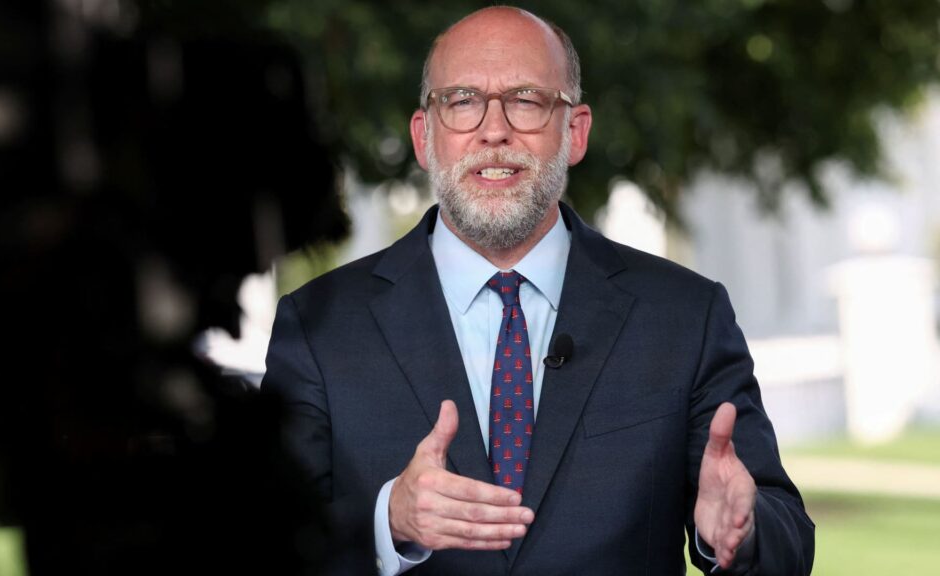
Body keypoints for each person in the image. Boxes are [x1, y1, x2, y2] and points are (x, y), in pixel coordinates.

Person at [262, 6, 814, 575]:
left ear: (574, 132)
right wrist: (387, 523)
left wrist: (744, 533)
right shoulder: (320, 326)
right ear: (424, 137)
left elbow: (787, 541)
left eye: (525, 100)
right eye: (462, 101)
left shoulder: (685, 316)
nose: (494, 130)